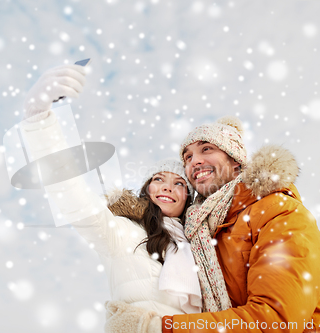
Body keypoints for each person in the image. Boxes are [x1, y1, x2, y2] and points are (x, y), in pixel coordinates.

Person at [105, 117, 320, 332]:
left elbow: (275, 319)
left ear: (236, 161)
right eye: (187, 157)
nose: (195, 161)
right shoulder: (199, 232)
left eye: (207, 149)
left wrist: (159, 327)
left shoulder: (278, 210)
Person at [19, 64, 206, 331]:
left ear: (188, 198)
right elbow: (70, 191)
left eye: (179, 184)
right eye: (158, 180)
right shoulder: (121, 232)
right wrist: (38, 120)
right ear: (147, 191)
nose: (167, 188)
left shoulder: (202, 245)